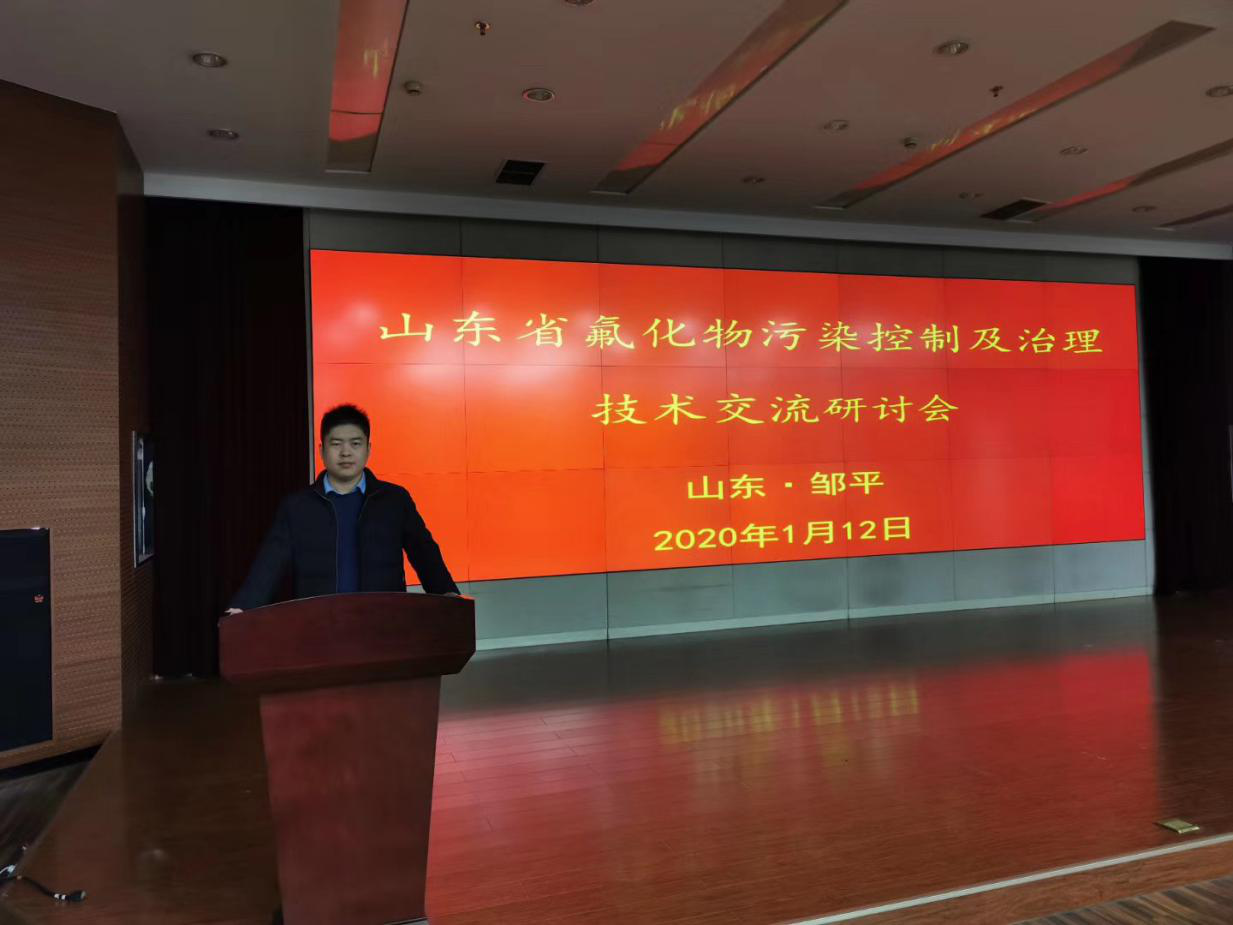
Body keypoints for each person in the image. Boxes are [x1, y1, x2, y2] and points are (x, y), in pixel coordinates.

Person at [225, 403, 459, 613]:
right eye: (336, 444)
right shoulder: (297, 506)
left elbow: (424, 552)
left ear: (368, 449)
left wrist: (447, 593)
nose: (346, 452)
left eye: (355, 444)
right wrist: (244, 606)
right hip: (319, 625)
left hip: (384, 623)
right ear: (321, 450)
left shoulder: (394, 500)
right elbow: (269, 563)